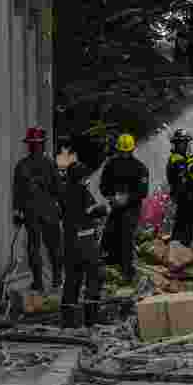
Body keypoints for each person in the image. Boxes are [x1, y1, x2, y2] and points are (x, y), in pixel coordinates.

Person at [56, 138, 110, 329]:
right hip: (85, 242)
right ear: (80, 177)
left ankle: (68, 321)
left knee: (72, 280)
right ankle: (90, 319)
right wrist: (104, 208)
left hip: (70, 242)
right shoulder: (80, 192)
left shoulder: (63, 192)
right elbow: (92, 211)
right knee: (95, 275)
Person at [12, 126, 63, 292]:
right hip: (48, 211)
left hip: (30, 211)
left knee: (34, 247)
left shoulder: (22, 165)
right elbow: (58, 189)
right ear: (43, 144)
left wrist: (17, 212)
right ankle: (57, 280)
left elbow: (17, 192)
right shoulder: (50, 164)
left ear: (30, 145)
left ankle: (39, 283)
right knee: (53, 246)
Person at [99, 133, 149, 283]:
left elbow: (143, 191)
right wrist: (111, 197)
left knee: (126, 237)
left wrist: (127, 198)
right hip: (115, 207)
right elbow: (103, 186)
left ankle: (128, 272)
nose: (124, 154)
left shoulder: (140, 168)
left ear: (132, 150)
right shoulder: (110, 165)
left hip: (132, 208)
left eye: (127, 152)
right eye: (122, 152)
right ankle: (109, 268)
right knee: (109, 235)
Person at [166, 128, 193, 244]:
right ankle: (180, 248)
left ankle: (179, 247)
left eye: (186, 143)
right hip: (183, 196)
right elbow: (183, 181)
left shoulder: (180, 158)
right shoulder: (178, 160)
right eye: (183, 143)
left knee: (181, 223)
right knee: (184, 224)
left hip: (181, 195)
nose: (186, 145)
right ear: (177, 144)